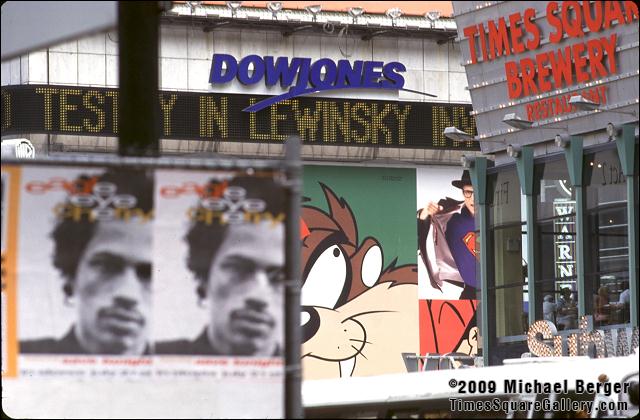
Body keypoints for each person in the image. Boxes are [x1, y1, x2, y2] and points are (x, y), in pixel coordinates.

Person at [20, 169, 154, 355]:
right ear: (71, 275)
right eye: (106, 266)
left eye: (148, 274)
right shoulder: (24, 355)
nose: (127, 294)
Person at [156, 176, 285, 356]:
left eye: (279, 277)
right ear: (204, 278)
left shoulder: (313, 373)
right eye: (239, 269)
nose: (259, 296)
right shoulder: (161, 358)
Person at [418, 170, 477, 299]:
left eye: (477, 192)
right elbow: (416, 236)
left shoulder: (498, 217)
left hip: (498, 288)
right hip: (470, 291)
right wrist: (425, 214)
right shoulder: (451, 218)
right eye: (468, 192)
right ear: (463, 193)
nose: (473, 198)